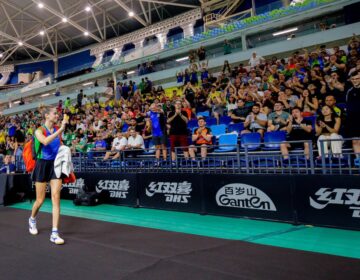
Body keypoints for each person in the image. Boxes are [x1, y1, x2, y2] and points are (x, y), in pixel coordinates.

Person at [29, 106, 68, 245]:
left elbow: (59, 147)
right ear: (46, 116)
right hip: (42, 165)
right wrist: (60, 130)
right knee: (40, 200)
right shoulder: (39, 130)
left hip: (55, 165)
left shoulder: (58, 130)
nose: (57, 115)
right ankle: (32, 219)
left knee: (56, 198)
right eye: (54, 113)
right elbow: (45, 141)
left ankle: (54, 233)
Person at [345, 71, 360, 158]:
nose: (355, 80)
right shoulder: (349, 91)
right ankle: (358, 160)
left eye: (357, 78)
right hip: (353, 121)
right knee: (355, 141)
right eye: (353, 79)